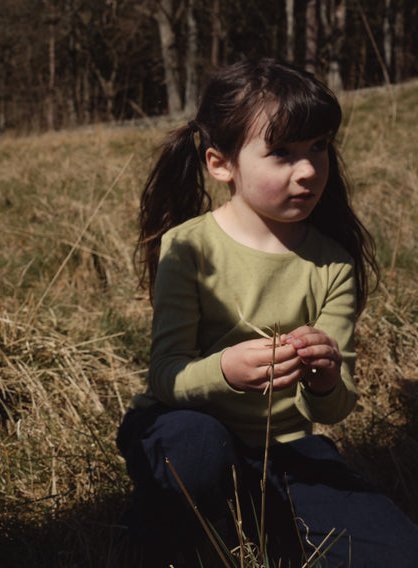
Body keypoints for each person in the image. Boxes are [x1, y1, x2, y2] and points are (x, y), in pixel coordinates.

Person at [117, 58, 418, 566]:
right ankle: (172, 527)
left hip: (286, 449)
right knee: (197, 450)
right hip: (186, 428)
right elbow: (166, 377)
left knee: (399, 551)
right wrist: (227, 371)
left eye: (318, 147)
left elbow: (335, 409)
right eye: (280, 153)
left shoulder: (332, 264)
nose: (308, 170)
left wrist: (324, 379)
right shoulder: (187, 247)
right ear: (221, 164)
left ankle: (268, 515)